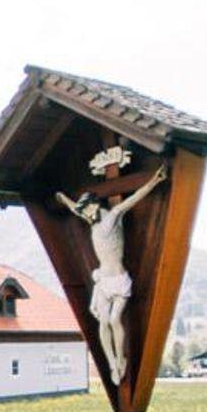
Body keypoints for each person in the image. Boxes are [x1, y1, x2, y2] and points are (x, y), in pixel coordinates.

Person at [56, 162, 168, 387]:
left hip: (119, 278)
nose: (86, 214)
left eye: (88, 210)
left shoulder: (112, 216)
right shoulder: (92, 220)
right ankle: (112, 364)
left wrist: (154, 181)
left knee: (115, 319)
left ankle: (120, 359)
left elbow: (133, 199)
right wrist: (64, 199)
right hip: (104, 280)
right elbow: (77, 210)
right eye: (85, 212)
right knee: (103, 322)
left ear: (95, 205)